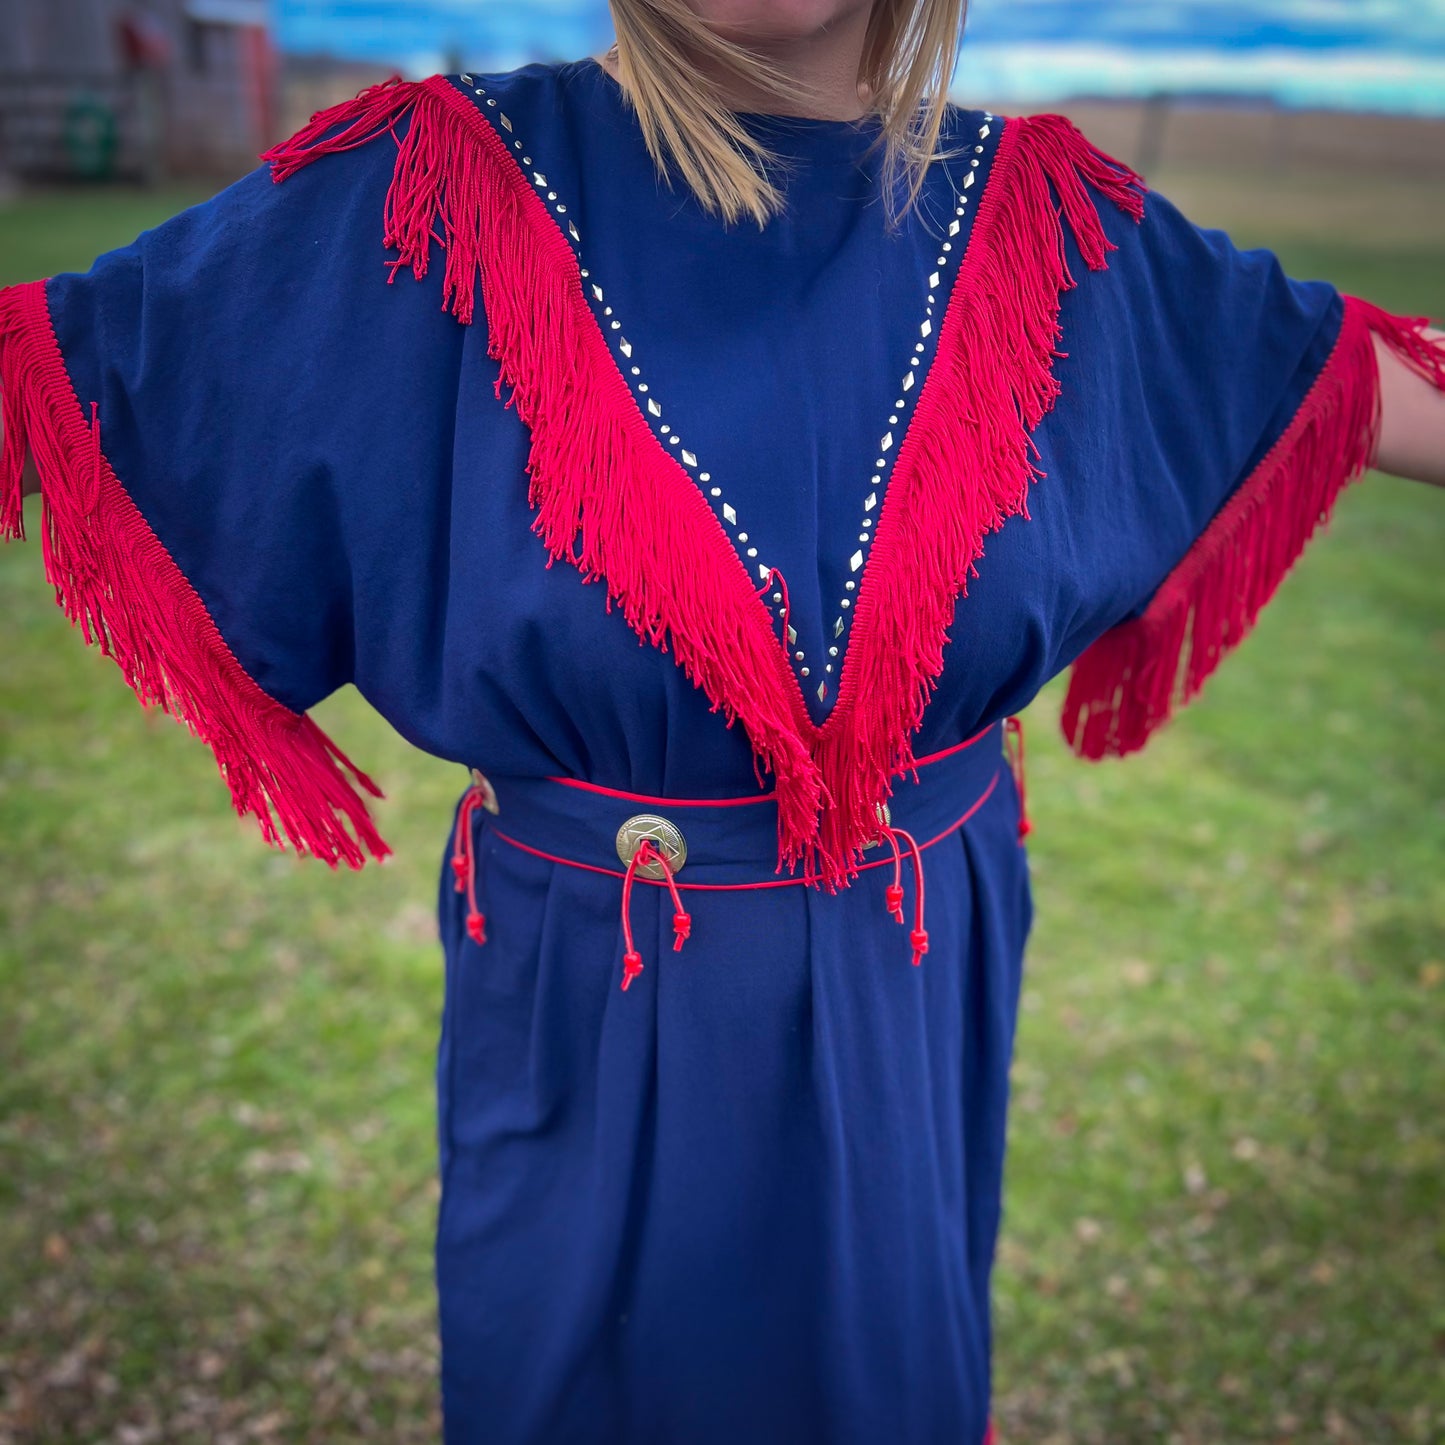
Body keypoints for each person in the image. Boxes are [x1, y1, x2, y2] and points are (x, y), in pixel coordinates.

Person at [2, 2, 1442, 1441]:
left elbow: (1362, 379)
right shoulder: (431, 187)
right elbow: (61, 368)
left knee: (889, 1382)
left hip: (916, 958)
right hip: (603, 975)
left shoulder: (1048, 222)